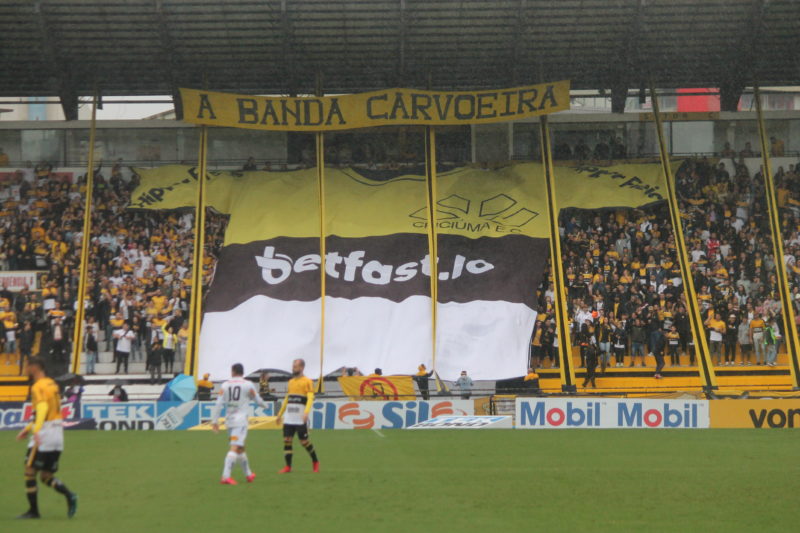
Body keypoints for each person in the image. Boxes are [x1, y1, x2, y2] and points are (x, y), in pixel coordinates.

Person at [15, 357, 78, 519]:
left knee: (29, 471)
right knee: (45, 476)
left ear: (35, 367)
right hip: (57, 433)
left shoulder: (38, 386)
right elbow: (45, 409)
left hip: (44, 433)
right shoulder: (52, 384)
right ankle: (70, 495)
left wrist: (35, 430)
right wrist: (27, 428)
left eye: (27, 366)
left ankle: (33, 511)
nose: (26, 369)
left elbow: (42, 408)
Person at [212, 363, 269, 485]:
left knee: (240, 448)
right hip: (240, 421)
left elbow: (218, 404)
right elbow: (257, 399)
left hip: (229, 421)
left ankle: (248, 474)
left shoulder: (225, 385)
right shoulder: (247, 385)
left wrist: (214, 421)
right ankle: (225, 476)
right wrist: (265, 405)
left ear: (233, 372)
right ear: (243, 372)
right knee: (235, 447)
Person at [276, 358, 319, 474]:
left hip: (300, 417)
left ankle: (315, 461)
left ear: (301, 368)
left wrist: (306, 412)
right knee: (287, 440)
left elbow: (310, 398)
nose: (293, 368)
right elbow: (287, 399)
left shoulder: (307, 381)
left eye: (295, 366)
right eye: (293, 366)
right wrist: (280, 414)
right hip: (289, 417)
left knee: (304, 442)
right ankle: (288, 467)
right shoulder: (290, 382)